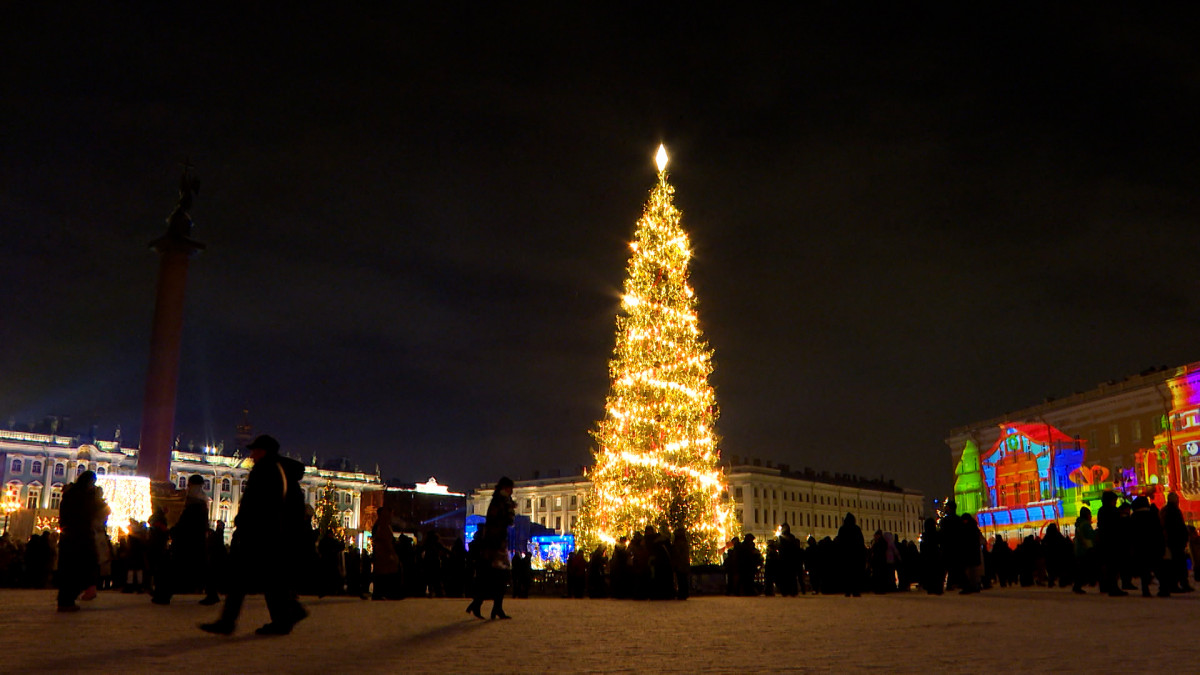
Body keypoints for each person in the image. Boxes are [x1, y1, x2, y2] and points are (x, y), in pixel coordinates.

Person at [200, 435, 309, 636]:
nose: (251, 454)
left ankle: (231, 622)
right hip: (269, 533)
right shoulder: (281, 470)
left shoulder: (266, 469)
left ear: (264, 451)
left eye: (255, 450)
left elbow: (260, 503)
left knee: (245, 579)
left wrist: (244, 523)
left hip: (260, 533)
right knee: (265, 580)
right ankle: (285, 615)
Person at [466, 476, 515, 620]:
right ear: (504, 488)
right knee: (496, 576)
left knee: (497, 576)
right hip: (495, 543)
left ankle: (488, 606)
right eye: (509, 488)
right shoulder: (499, 502)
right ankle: (485, 605)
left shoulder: (503, 501)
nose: (511, 491)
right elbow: (497, 521)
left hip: (497, 542)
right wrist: (508, 513)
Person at [56, 471, 103, 612]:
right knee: (78, 567)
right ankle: (69, 599)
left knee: (69, 569)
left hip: (69, 536)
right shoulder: (82, 496)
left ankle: (66, 599)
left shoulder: (71, 494)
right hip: (79, 536)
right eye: (92, 483)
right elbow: (92, 511)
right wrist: (97, 498)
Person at [835, 513, 865, 597]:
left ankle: (847, 591)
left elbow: (840, 543)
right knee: (855, 574)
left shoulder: (842, 529)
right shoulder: (856, 529)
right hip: (855, 556)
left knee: (847, 574)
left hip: (846, 555)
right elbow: (860, 542)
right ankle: (855, 590)